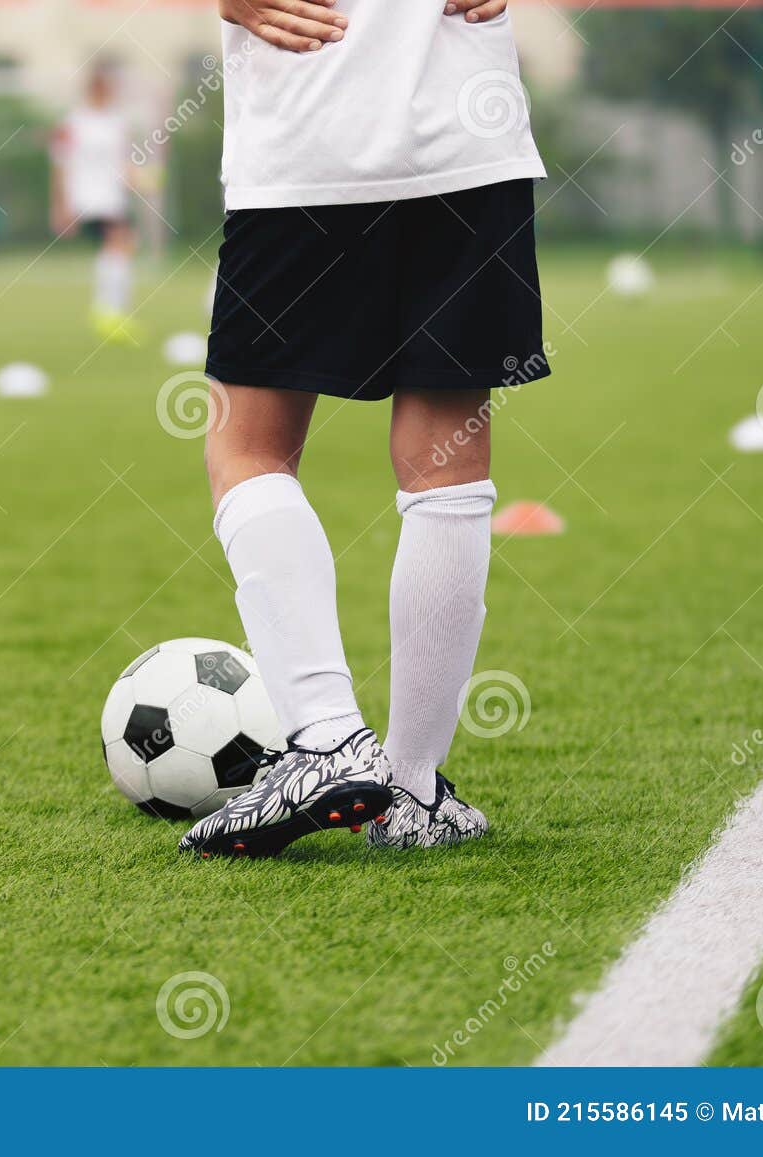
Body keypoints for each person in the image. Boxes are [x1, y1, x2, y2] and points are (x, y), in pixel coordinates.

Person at [179, 0, 548, 858]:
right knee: (446, 460)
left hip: (312, 136)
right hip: (466, 135)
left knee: (248, 446)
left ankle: (326, 737)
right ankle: (412, 791)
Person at [51, 61, 140, 345]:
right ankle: (108, 312)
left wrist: (136, 180)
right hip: (88, 196)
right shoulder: (73, 122)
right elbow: (61, 164)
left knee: (120, 247)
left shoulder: (118, 121)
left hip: (113, 196)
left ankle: (111, 311)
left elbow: (124, 161)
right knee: (119, 244)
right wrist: (61, 206)